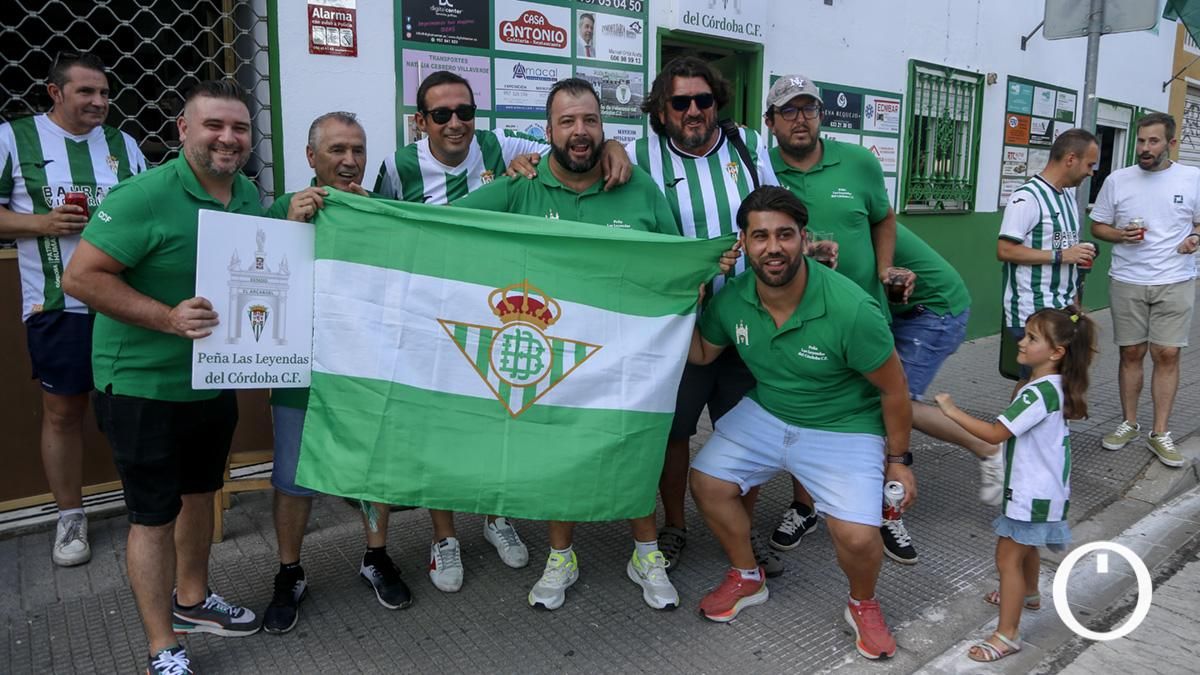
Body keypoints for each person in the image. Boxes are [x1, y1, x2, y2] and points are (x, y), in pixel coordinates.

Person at [374, 70, 629, 593]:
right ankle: (444, 537)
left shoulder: (502, 146)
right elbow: (384, 226)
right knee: (441, 427)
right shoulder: (398, 167)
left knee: (501, 419)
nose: (455, 123)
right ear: (420, 121)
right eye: (441, 114)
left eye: (465, 112)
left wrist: (617, 143)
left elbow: (574, 145)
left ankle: (496, 517)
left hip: (501, 312)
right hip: (436, 313)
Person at [455, 77, 692, 612]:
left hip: (629, 356)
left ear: (605, 128)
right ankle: (561, 556)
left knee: (636, 450)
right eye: (568, 122)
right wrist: (351, 211)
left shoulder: (638, 187)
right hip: (554, 357)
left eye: (590, 121)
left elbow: (676, 261)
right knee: (558, 456)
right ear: (547, 131)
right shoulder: (522, 187)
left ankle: (645, 552)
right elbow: (445, 227)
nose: (580, 132)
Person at [62, 80, 262, 675]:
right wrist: (168, 318)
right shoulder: (142, 196)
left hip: (211, 380)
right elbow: (81, 279)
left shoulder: (247, 194)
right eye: (214, 126)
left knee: (201, 496)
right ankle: (162, 647)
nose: (228, 138)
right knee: (152, 515)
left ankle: (194, 600)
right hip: (141, 386)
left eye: (240, 128)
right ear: (182, 130)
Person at [688, 186, 914, 662]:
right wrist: (686, 297)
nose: (774, 247)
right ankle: (748, 577)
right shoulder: (733, 302)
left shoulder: (851, 309)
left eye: (785, 235)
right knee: (708, 482)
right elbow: (702, 352)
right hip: (769, 412)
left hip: (844, 425)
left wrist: (899, 461)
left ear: (803, 238)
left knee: (857, 535)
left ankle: (862, 603)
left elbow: (894, 389)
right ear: (744, 244)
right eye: (761, 236)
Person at [257, 111, 418, 634]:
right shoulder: (286, 208)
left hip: (364, 365)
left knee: (373, 468)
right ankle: (289, 571)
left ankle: (376, 555)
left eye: (358, 151)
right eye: (337, 151)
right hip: (301, 368)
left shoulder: (381, 211)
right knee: (293, 478)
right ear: (310, 158)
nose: (350, 162)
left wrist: (383, 227)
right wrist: (289, 230)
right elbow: (260, 284)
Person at [770, 224, 1004, 566]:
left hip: (932, 310)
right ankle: (807, 507)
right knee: (826, 396)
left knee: (889, 403)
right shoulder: (794, 225)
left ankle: (892, 510)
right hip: (894, 312)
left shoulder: (851, 213)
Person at [626, 55, 779, 574]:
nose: (694, 110)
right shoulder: (637, 155)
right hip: (681, 330)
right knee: (675, 434)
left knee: (749, 432)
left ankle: (743, 529)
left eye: (703, 100)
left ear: (717, 103)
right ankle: (675, 526)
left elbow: (774, 211)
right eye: (680, 102)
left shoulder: (749, 145)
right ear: (661, 110)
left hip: (748, 323)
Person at [761, 73, 920, 563]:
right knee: (805, 410)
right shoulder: (761, 169)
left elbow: (884, 218)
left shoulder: (859, 161)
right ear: (770, 122)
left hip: (864, 315)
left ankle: (887, 510)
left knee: (876, 412)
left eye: (808, 108)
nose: (800, 119)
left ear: (820, 115)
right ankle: (805, 506)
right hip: (801, 320)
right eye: (788, 111)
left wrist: (885, 266)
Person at [0, 52, 146, 567]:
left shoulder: (123, 145)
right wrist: (40, 225)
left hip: (123, 302)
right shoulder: (13, 138)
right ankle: (70, 516)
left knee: (131, 406)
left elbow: (145, 208)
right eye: (86, 92)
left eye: (105, 93)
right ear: (54, 92)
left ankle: (145, 507)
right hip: (56, 302)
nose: (99, 102)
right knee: (64, 412)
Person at [934, 307, 1096, 662]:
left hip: (1032, 493)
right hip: (1041, 491)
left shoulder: (1036, 395)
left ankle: (1007, 635)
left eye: (1032, 338)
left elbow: (995, 434)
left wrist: (951, 411)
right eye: (1025, 334)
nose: (1021, 342)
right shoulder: (1050, 387)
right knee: (1026, 547)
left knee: (1007, 559)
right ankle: (1030, 593)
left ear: (1057, 353)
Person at [1090, 112, 1200, 468]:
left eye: (1153, 142)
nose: (1144, 148)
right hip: (1127, 279)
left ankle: (1160, 432)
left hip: (1175, 279)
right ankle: (1128, 423)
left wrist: (1195, 238)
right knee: (1131, 353)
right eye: (1140, 141)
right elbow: (1098, 226)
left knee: (1167, 354)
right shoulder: (1118, 180)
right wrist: (1119, 235)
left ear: (1170, 143)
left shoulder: (1192, 178)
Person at [998, 128, 1098, 389]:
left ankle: (1021, 430)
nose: (1091, 172)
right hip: (1032, 309)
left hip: (1061, 307)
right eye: (1089, 164)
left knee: (1050, 380)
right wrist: (1062, 255)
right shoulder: (1027, 197)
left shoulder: (1066, 197)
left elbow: (1067, 253)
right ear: (1070, 159)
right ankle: (1010, 430)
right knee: (1037, 381)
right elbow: (1005, 250)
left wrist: (1074, 300)